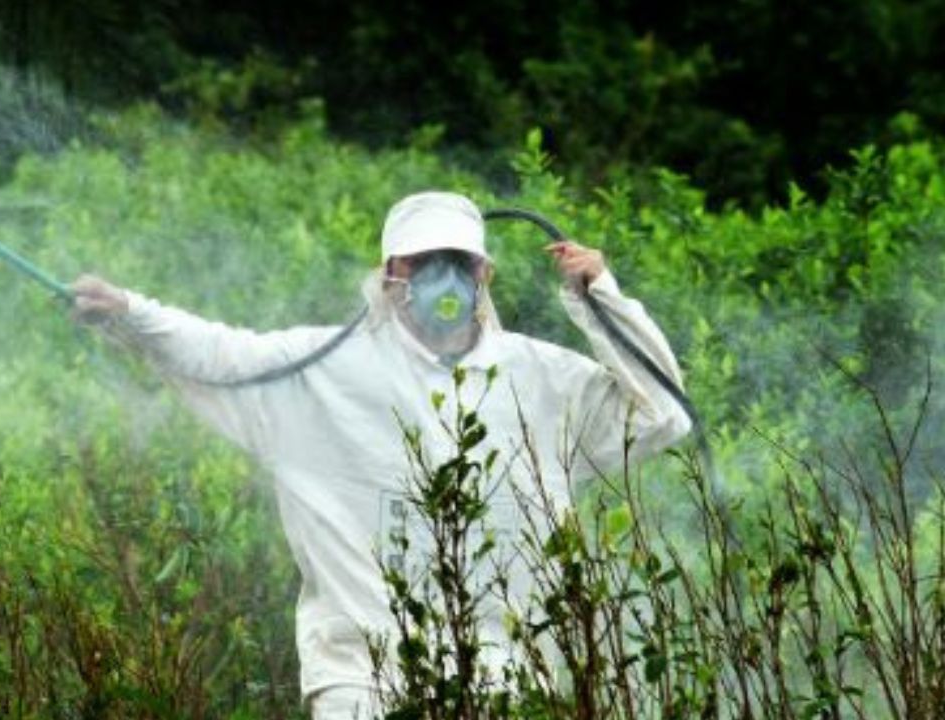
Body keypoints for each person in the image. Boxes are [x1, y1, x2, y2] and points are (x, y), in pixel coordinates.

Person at [71, 191, 691, 719]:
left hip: (505, 675)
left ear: (484, 274)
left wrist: (599, 298)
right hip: (358, 676)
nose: (440, 276)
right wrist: (128, 313)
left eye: (458, 261)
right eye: (423, 261)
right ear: (390, 273)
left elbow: (662, 414)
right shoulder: (324, 368)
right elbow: (220, 355)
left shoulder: (541, 378)